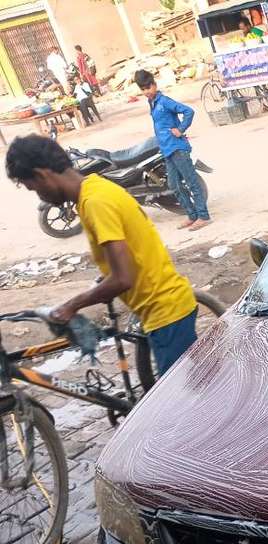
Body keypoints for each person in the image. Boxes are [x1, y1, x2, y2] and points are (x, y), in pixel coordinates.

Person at [5, 135, 199, 374]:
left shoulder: (95, 202)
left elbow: (122, 279)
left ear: (43, 175)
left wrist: (70, 307)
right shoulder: (96, 188)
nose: (40, 196)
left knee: (182, 403)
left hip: (167, 313)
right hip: (167, 309)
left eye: (33, 188)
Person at [134, 69, 211, 231]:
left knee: (191, 182)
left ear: (154, 85)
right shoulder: (153, 102)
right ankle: (191, 215)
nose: (146, 92)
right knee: (174, 185)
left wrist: (181, 129)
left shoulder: (164, 101)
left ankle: (203, 216)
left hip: (178, 148)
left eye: (148, 87)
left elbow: (188, 111)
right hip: (167, 150)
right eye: (143, 89)